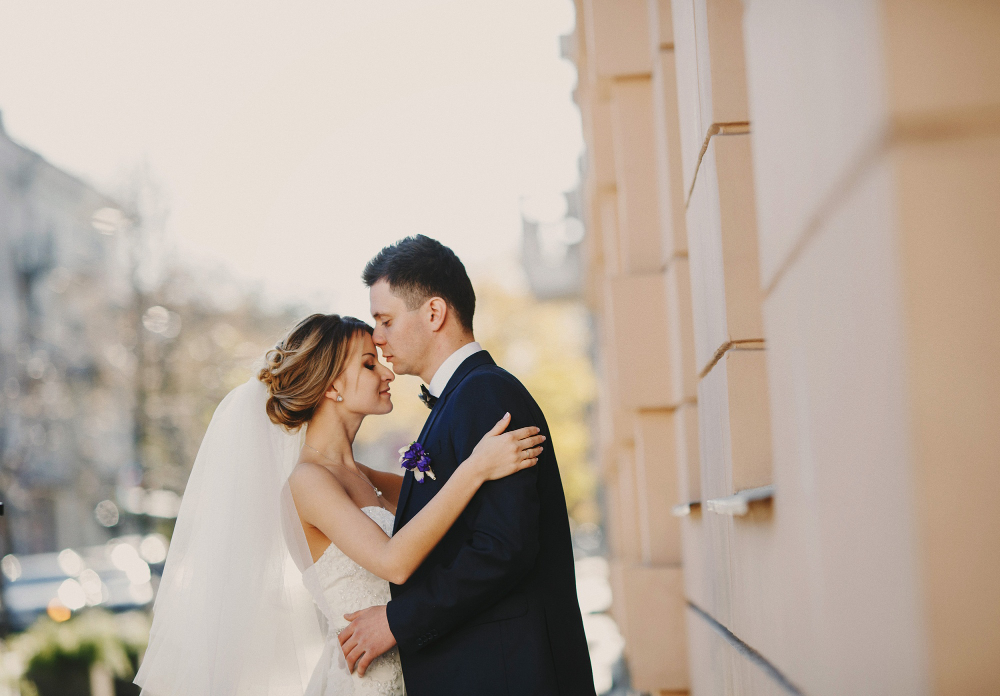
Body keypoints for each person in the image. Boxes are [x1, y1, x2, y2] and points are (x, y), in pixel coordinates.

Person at [135, 313, 544, 696]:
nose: (387, 372)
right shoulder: (307, 482)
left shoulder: (365, 475)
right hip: (367, 683)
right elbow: (393, 560)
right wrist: (475, 469)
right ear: (331, 386)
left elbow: (448, 517)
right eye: (369, 364)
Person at [339, 235, 597, 696]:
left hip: (508, 674)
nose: (378, 338)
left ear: (434, 313)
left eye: (386, 320)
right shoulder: (460, 400)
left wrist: (397, 621)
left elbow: (504, 547)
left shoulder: (484, 395)